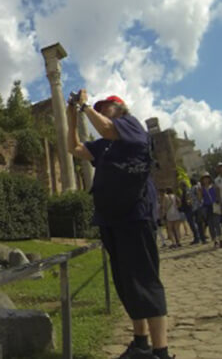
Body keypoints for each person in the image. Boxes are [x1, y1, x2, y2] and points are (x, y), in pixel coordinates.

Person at [67, 91, 174, 359]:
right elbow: (75, 149)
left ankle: (161, 352)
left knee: (145, 280)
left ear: (120, 107)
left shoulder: (130, 126)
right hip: (112, 218)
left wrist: (86, 106)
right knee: (127, 283)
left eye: (107, 107)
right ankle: (141, 344)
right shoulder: (105, 144)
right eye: (100, 107)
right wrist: (72, 119)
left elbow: (106, 127)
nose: (102, 110)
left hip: (136, 214)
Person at [199, 172, 221, 248]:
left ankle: (220, 239)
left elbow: (218, 197)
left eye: (207, 178)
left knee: (217, 224)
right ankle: (215, 240)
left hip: (215, 206)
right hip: (207, 207)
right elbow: (200, 199)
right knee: (211, 225)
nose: (205, 180)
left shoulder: (214, 187)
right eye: (204, 179)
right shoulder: (202, 189)